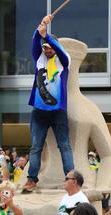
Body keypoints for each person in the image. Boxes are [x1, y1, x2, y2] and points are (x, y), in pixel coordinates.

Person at [23, 14, 73, 192]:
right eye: (45, 47)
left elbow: (58, 49)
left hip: (58, 110)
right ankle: (31, 179)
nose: (47, 49)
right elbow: (35, 41)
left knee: (64, 145)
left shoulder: (64, 59)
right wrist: (41, 26)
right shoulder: (39, 58)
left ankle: (71, 178)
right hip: (39, 112)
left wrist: (47, 36)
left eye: (50, 46)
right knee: (36, 147)